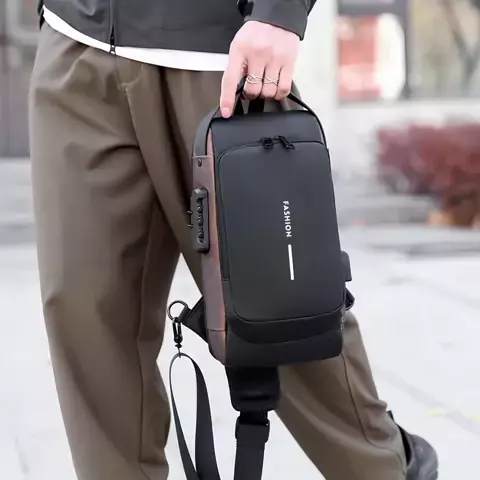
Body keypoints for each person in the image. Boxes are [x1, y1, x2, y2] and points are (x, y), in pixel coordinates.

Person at [29, 1, 438, 479]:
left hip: (221, 58)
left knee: (283, 309)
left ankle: (386, 466)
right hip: (78, 39)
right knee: (86, 317)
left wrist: (281, 13)